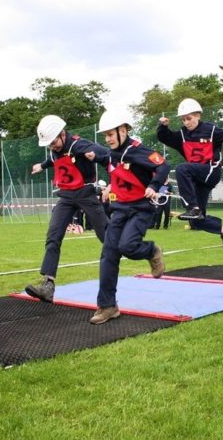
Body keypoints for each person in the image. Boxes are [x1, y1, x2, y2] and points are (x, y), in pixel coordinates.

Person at [90, 109, 170, 325]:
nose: (107, 139)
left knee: (128, 246)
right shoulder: (111, 154)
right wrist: (110, 188)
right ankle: (108, 306)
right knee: (108, 253)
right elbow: (116, 170)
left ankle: (152, 250)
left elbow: (163, 165)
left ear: (123, 130)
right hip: (119, 209)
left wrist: (154, 185)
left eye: (110, 134)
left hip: (141, 208)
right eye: (105, 135)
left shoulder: (139, 150)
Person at [24, 115, 110, 303]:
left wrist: (96, 155)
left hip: (86, 194)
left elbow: (106, 154)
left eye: (53, 142)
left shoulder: (79, 145)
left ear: (62, 134)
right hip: (66, 196)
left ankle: (141, 250)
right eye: (48, 145)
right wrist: (42, 165)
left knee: (107, 236)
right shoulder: (56, 149)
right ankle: (48, 285)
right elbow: (54, 158)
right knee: (53, 236)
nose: (52, 147)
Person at [157, 98, 223, 251]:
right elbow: (165, 137)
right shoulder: (182, 136)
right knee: (196, 221)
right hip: (197, 178)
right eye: (183, 119)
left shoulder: (210, 130)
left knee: (182, 169)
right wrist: (163, 127)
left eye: (189, 118)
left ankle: (192, 207)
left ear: (198, 116)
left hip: (211, 171)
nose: (186, 122)